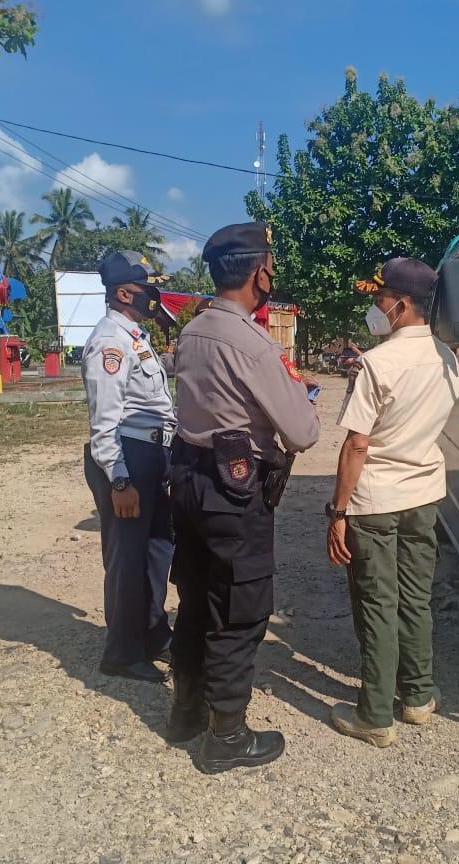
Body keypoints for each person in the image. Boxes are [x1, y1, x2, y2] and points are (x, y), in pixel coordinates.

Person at [168, 222, 320, 772]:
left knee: (194, 597)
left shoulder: (192, 332)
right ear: (259, 273)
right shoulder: (254, 345)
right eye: (271, 268)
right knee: (237, 610)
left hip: (186, 476)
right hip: (234, 487)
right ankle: (226, 737)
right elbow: (302, 433)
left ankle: (185, 712)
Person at [326, 257, 459, 747]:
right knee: (416, 599)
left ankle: (375, 716)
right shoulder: (448, 359)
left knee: (378, 604)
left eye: (380, 298)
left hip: (376, 501)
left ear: (401, 305)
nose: (375, 305)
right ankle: (419, 696)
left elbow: (356, 445)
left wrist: (338, 511)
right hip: (423, 496)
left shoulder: (378, 364)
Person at [82, 251, 176, 683]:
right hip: (127, 457)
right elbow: (105, 422)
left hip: (151, 454)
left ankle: (153, 633)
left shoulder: (135, 335)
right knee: (127, 558)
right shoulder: (110, 342)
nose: (155, 297)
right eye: (148, 289)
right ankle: (121, 651)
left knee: (158, 551)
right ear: (124, 292)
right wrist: (119, 479)